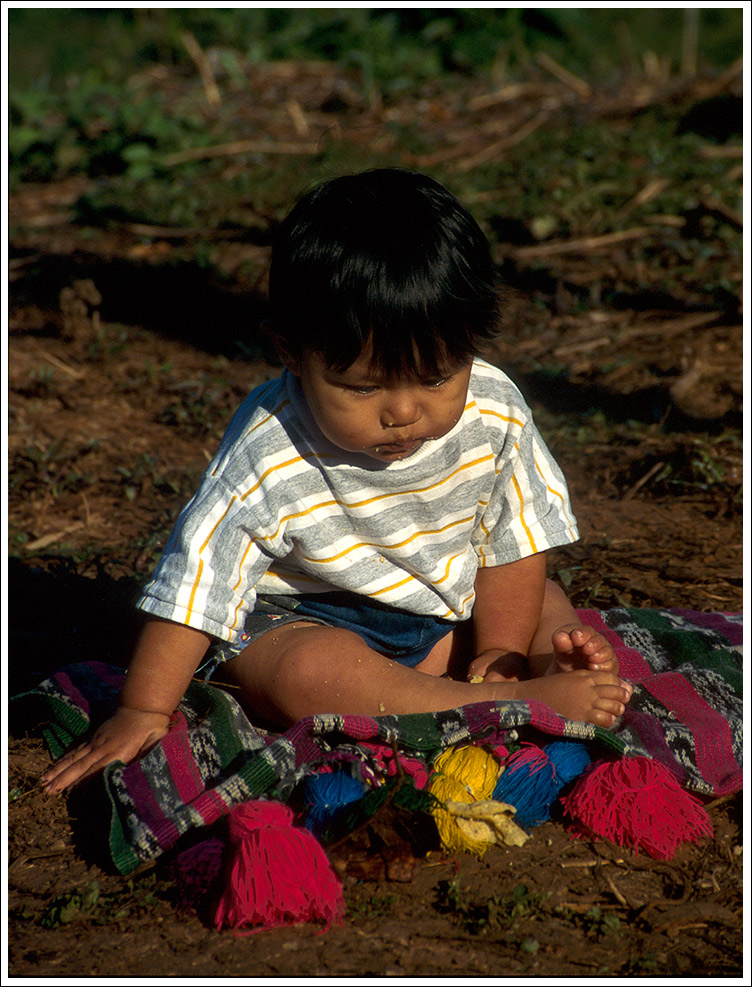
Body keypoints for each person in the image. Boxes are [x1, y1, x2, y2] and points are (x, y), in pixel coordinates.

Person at [43, 169, 632, 794]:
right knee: (304, 671)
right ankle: (477, 707)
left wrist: (502, 649)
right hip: (310, 616)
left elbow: (516, 537)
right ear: (292, 353)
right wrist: (144, 709)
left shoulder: (495, 410)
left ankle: (521, 672)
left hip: (448, 607)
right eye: (364, 386)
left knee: (540, 596)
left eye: (435, 378)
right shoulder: (270, 451)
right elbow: (199, 583)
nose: (404, 412)